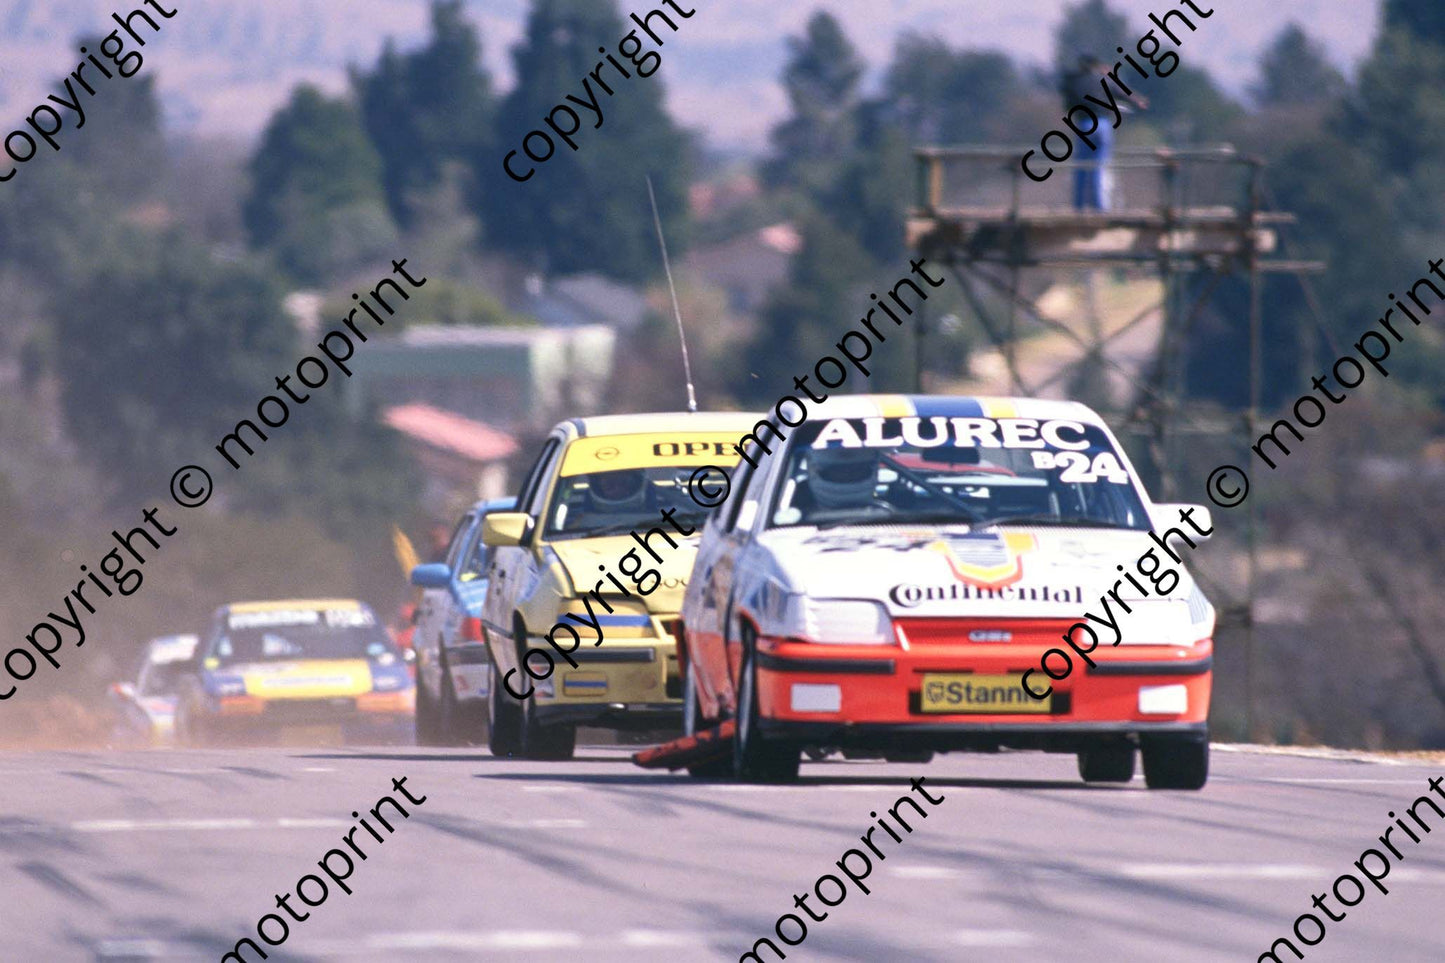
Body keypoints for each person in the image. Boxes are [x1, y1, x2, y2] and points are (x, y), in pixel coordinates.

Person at [1061, 55, 1146, 211]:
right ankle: (1099, 208)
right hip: (1103, 124)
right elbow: (1121, 93)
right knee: (1099, 167)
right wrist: (1138, 100)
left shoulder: (1075, 80)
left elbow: (1068, 102)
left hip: (1084, 124)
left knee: (1081, 166)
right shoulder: (1103, 79)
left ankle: (1078, 207)